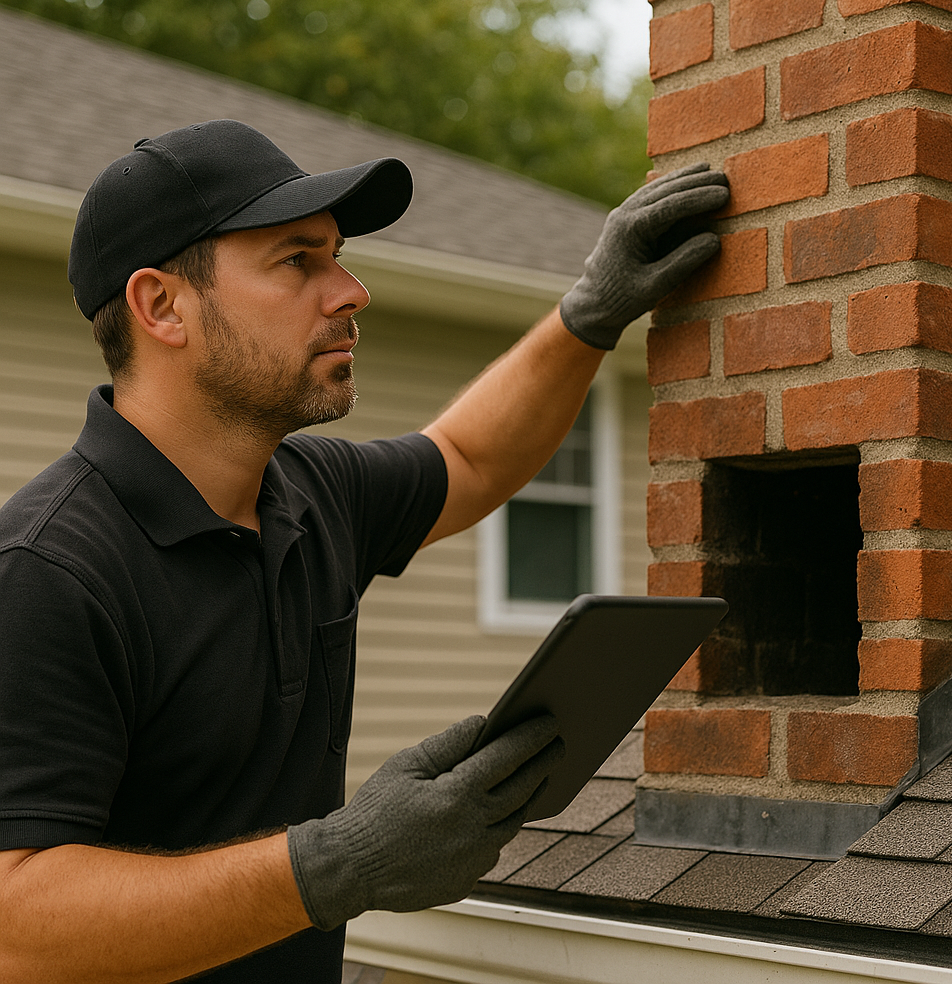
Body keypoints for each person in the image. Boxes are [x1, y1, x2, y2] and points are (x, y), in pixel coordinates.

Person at [0, 120, 728, 983]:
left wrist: (591, 313)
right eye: (297, 260)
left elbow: (469, 457)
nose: (350, 291)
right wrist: (339, 863)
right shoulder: (49, 572)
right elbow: (17, 926)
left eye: (336, 255)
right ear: (163, 306)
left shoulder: (309, 493)